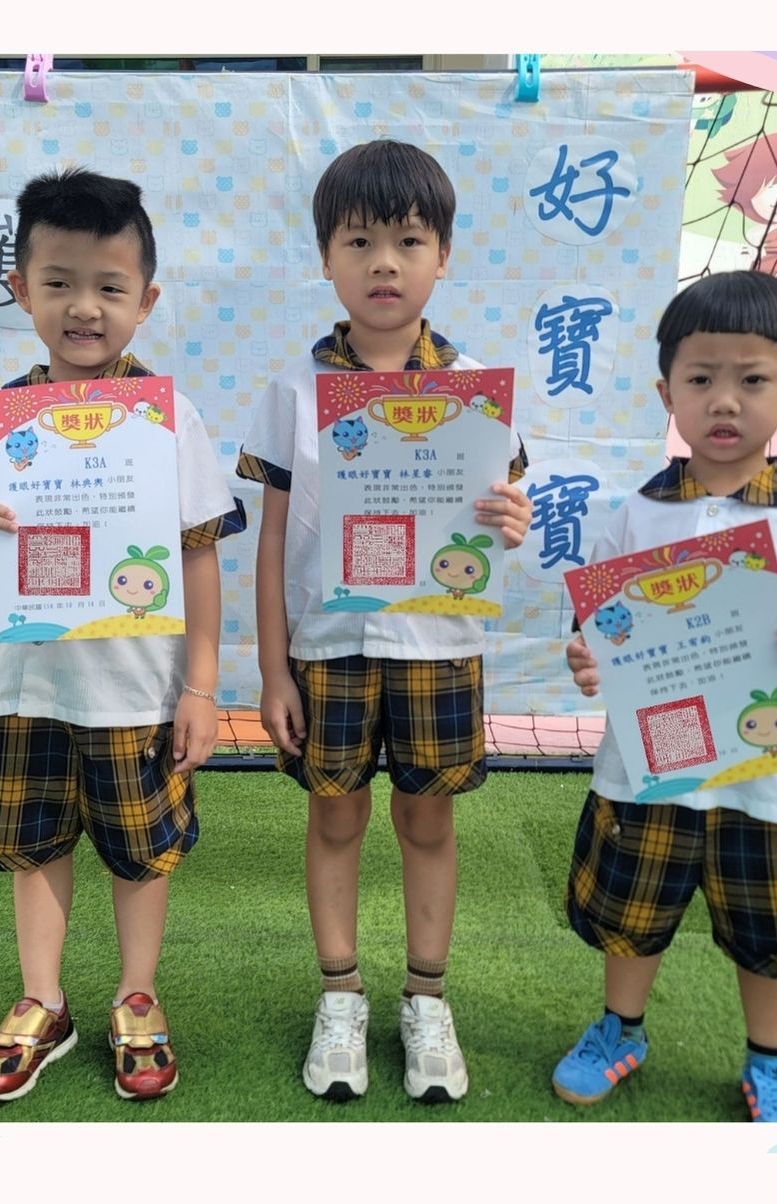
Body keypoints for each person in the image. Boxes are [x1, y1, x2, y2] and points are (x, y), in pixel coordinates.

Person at [0, 168, 245, 1103]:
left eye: (109, 287)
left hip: (136, 687)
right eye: (59, 282)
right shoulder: (5, 422)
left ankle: (135, 994)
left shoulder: (167, 418)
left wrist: (200, 689)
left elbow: (199, 555)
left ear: (145, 300)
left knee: (137, 848)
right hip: (25, 684)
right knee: (34, 843)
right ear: (19, 290)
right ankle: (43, 1000)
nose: (84, 307)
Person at [237, 139, 533, 1103]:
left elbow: (501, 511)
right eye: (358, 241)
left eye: (408, 241)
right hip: (328, 649)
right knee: (334, 817)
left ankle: (426, 1000)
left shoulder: (474, 389)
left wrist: (511, 518)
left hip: (439, 646)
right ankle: (339, 996)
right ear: (326, 256)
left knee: (427, 819)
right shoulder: (294, 391)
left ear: (443, 255)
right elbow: (271, 540)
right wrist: (272, 671)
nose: (384, 263)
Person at [549, 271, 777, 1121]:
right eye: (700, 379)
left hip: (767, 775)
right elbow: (597, 627)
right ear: (667, 393)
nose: (723, 401)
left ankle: (771, 1060)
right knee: (633, 910)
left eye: (752, 380)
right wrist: (588, 660)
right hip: (648, 768)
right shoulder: (637, 513)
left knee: (770, 927)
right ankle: (620, 1029)